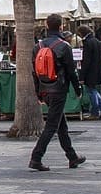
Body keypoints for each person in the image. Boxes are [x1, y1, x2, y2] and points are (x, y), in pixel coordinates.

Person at [29, 15, 85, 172]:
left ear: (47, 25)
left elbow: (34, 72)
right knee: (52, 125)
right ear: (61, 26)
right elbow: (71, 71)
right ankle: (36, 157)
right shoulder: (64, 46)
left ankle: (72, 156)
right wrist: (77, 88)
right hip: (58, 89)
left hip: (45, 89)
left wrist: (38, 92)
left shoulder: (37, 46)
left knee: (61, 124)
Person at [81, 25, 101, 118]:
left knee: (91, 91)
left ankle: (95, 112)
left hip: (90, 71)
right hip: (97, 69)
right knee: (94, 90)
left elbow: (86, 60)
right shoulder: (96, 41)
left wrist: (82, 76)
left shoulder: (87, 42)